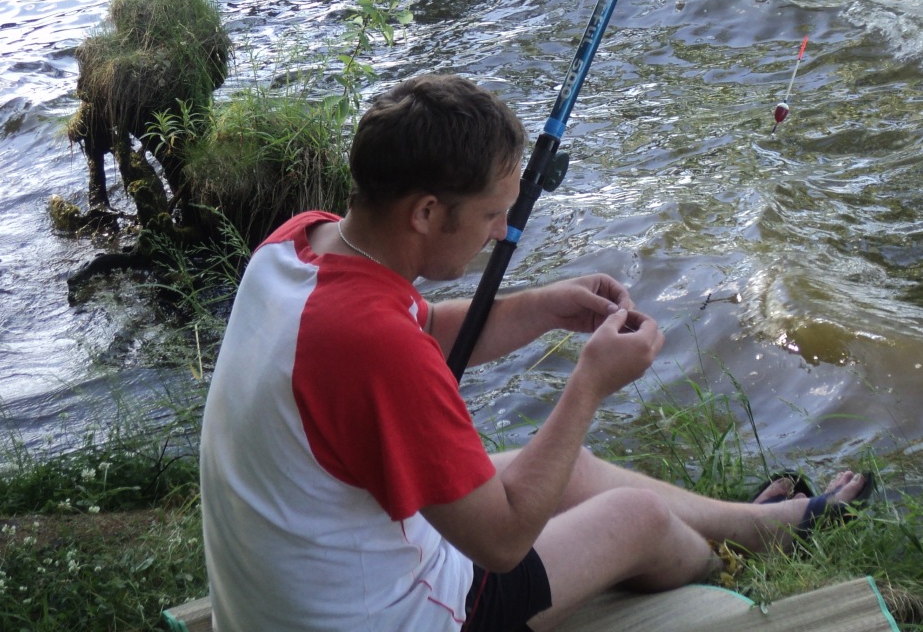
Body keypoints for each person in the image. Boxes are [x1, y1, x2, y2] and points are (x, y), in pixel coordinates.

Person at [199, 73, 869, 632]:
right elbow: (502, 540)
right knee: (634, 519)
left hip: (306, 591)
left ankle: (763, 525)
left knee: (570, 471)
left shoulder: (299, 245)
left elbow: (422, 327)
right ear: (426, 213)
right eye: (493, 215)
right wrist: (590, 384)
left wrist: (543, 307)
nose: (500, 234)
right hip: (399, 615)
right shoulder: (374, 348)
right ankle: (720, 575)